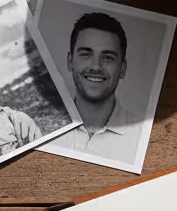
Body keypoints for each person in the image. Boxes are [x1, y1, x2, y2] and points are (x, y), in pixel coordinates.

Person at [55, 12, 141, 162]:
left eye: (108, 57)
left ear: (122, 69)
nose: (96, 66)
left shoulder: (141, 137)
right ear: (70, 61)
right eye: (86, 54)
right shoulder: (37, 130)